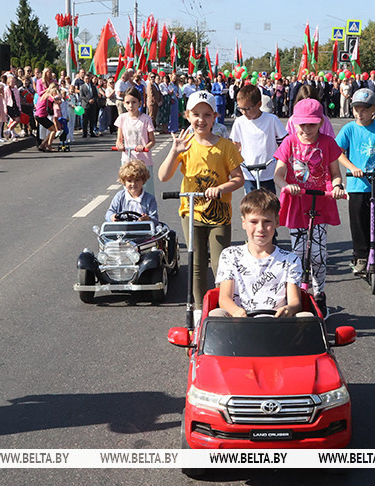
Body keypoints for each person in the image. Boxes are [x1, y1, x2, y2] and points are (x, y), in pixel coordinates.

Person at [158, 91, 245, 310]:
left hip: (220, 214)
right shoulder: (185, 144)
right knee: (197, 265)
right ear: (187, 115)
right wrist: (173, 151)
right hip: (192, 212)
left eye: (206, 114)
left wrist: (220, 188)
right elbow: (163, 176)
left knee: (220, 265)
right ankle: (199, 310)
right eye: (196, 114)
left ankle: (224, 308)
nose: (201, 120)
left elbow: (238, 179)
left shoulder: (226, 146)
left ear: (215, 116)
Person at [273, 98, 346, 317]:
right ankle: (297, 295)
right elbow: (278, 173)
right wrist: (286, 185)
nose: (307, 129)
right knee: (298, 253)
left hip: (320, 202)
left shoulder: (327, 142)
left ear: (320, 122)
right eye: (303, 124)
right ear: (295, 123)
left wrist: (337, 186)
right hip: (297, 202)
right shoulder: (290, 142)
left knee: (318, 254)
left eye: (312, 124)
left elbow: (334, 173)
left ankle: (319, 293)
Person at [210, 190, 314, 318]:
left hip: (277, 324)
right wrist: (236, 311)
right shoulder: (230, 255)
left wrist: (288, 309)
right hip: (239, 323)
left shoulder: (290, 260)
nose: (260, 228)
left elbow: (295, 302)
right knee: (216, 314)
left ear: (277, 222)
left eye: (267, 222)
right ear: (244, 223)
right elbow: (225, 298)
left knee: (307, 316)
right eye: (253, 222)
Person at [335, 88, 375, 280]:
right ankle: (360, 257)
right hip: (356, 184)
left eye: (364, 109)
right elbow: (338, 152)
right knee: (358, 222)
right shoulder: (349, 129)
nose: (359, 113)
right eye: (356, 109)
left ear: (374, 109)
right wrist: (352, 167)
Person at [230, 84, 288, 194]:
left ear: (259, 104)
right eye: (241, 108)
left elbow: (284, 142)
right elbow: (235, 145)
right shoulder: (239, 122)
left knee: (269, 204)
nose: (244, 112)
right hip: (248, 171)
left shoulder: (271, 120)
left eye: (247, 109)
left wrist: (279, 160)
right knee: (251, 205)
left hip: (268, 171)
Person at [115, 88, 157, 193]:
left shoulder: (146, 119)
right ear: (124, 104)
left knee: (147, 190)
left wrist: (144, 148)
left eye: (134, 102)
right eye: (128, 102)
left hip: (143, 161)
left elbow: (152, 141)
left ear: (140, 103)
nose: (130, 106)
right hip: (128, 159)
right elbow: (119, 140)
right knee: (128, 190)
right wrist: (120, 145)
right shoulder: (122, 118)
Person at [105, 160, 160, 225]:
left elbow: (155, 219)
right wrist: (112, 217)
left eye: (137, 180)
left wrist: (148, 219)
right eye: (129, 181)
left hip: (143, 231)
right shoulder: (120, 196)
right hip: (122, 231)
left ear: (143, 181)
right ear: (124, 182)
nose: (133, 184)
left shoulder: (149, 198)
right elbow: (109, 212)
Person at [80, 72, 99, 138]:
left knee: (92, 119)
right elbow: (82, 96)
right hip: (86, 105)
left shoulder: (93, 86)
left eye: (88, 79)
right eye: (86, 79)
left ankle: (91, 132)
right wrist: (88, 100)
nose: (87, 80)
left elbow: (96, 95)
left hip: (93, 105)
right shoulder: (82, 87)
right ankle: (84, 133)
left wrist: (93, 99)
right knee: (85, 120)